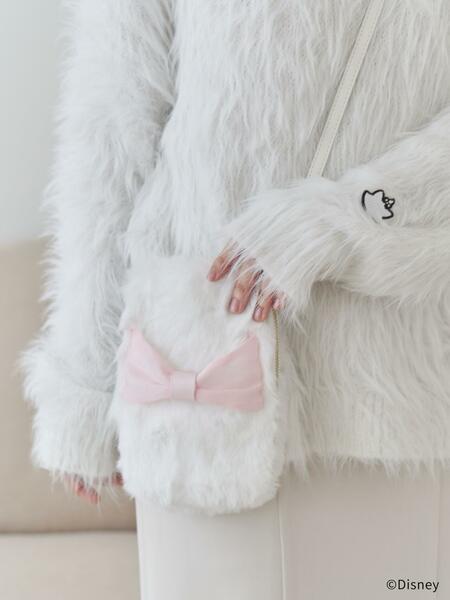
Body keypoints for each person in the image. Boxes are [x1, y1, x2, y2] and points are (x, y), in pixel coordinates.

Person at [22, 1, 450, 598]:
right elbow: (113, 125)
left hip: (398, 403)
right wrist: (85, 384)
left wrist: (347, 218)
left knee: (403, 585)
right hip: (197, 389)